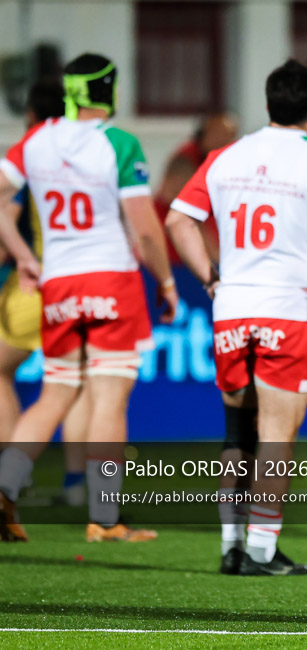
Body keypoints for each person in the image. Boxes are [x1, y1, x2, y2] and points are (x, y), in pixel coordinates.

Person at [166, 59, 307, 574]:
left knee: (238, 430)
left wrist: (210, 277)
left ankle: (231, 545)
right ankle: (261, 547)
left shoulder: (225, 156)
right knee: (277, 433)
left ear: (267, 103)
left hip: (232, 308)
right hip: (288, 309)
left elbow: (178, 220)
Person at [0, 53, 178, 542]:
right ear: (110, 90)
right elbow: (145, 229)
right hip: (110, 280)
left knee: (55, 393)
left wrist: (23, 256)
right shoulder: (117, 143)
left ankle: (4, 487)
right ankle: (104, 517)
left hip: (58, 282)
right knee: (108, 398)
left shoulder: (37, 140)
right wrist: (166, 282)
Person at [0, 80, 93, 507]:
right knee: (75, 384)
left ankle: (12, 477)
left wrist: (18, 256)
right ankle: (75, 485)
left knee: (1, 372)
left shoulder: (30, 157)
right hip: (84, 287)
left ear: (31, 116)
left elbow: (6, 217)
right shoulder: (95, 152)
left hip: (33, 286)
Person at [153, 113, 239, 263]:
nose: (223, 140)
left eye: (229, 136)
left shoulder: (224, 162)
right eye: (217, 133)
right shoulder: (187, 159)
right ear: (203, 134)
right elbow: (187, 211)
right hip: (176, 255)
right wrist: (215, 254)